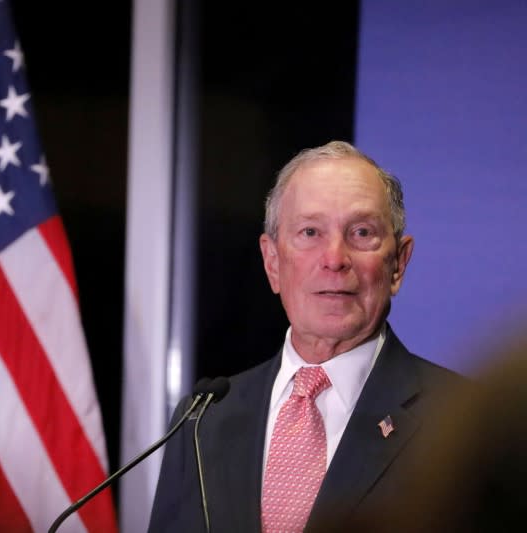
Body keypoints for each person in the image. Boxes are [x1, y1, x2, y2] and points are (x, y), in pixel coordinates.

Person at [148, 140, 466, 532]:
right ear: (273, 262)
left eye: (362, 232)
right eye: (310, 232)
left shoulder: (464, 424)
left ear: (398, 263)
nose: (334, 259)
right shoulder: (202, 420)